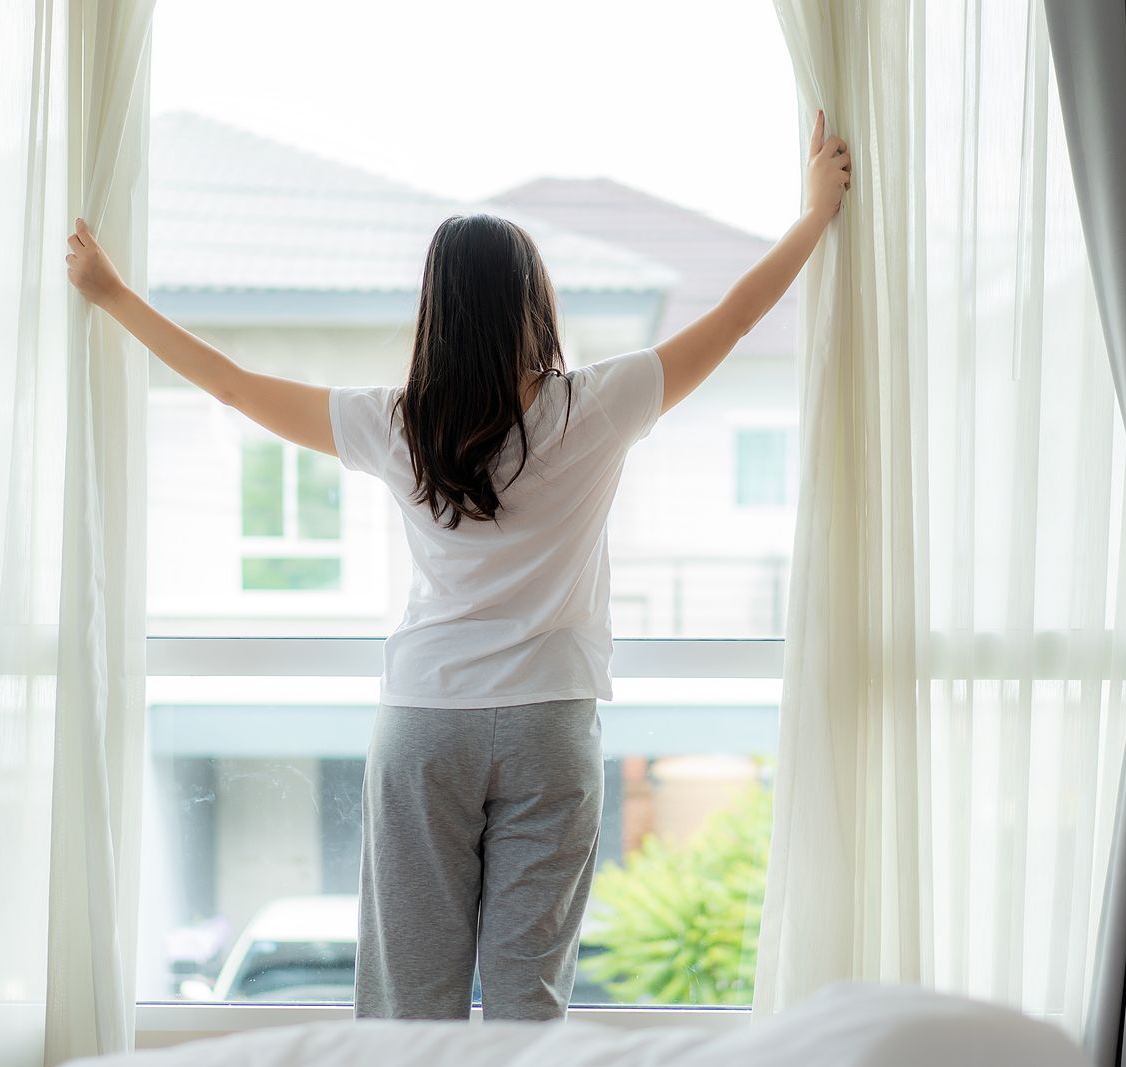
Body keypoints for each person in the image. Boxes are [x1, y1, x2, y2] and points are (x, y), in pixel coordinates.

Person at [66, 110, 851, 1021]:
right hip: (550, 725)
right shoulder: (597, 406)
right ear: (536, 304)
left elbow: (236, 385)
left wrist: (114, 294)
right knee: (529, 996)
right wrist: (813, 216)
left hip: (425, 724)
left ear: (436, 312)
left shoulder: (398, 424)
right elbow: (738, 315)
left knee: (411, 997)